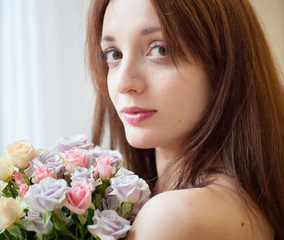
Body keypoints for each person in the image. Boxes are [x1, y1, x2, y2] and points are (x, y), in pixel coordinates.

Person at [86, 0, 284, 239]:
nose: (123, 83)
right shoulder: (246, 201)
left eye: (160, 49)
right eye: (114, 54)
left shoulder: (171, 218)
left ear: (222, 64)